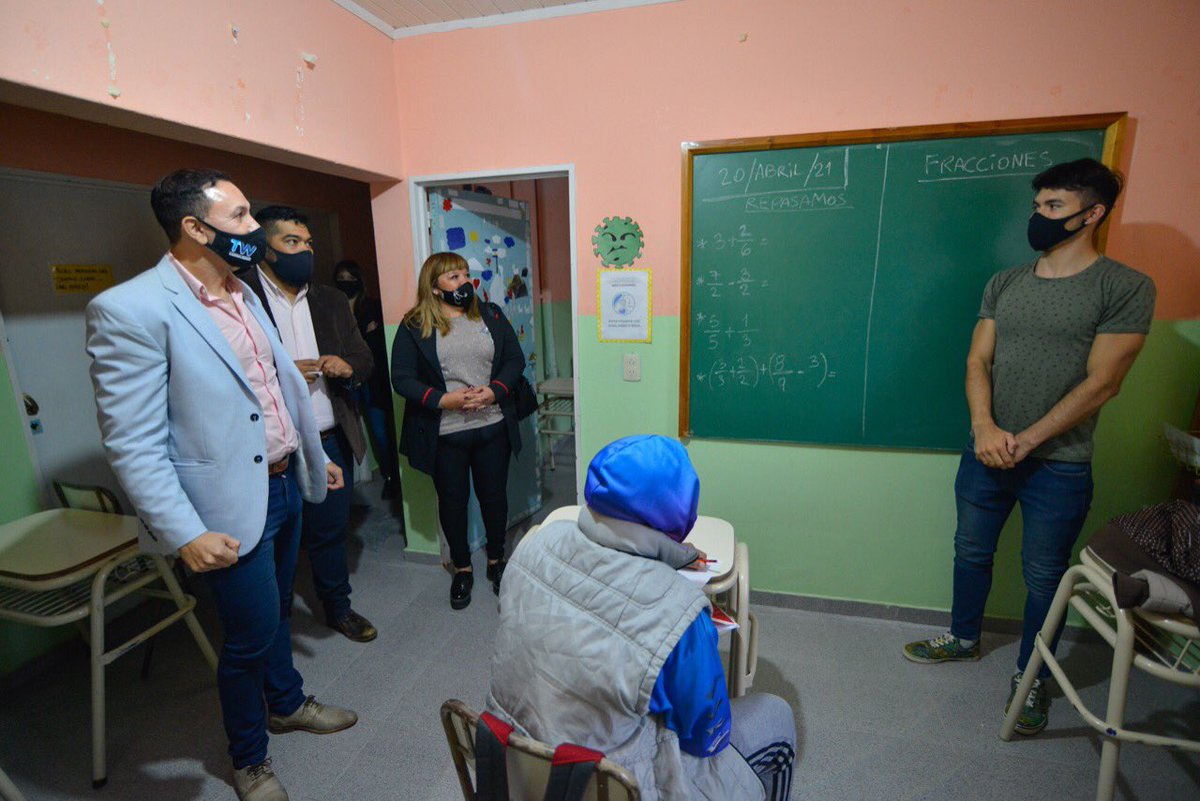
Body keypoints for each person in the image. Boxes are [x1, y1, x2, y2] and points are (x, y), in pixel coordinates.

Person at [86, 169, 357, 801]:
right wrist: (185, 532)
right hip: (226, 509)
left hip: (285, 483)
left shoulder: (244, 291)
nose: (254, 229)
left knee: (278, 616)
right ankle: (249, 757)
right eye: (239, 218)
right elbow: (133, 441)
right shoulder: (131, 309)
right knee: (246, 640)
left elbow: (274, 387)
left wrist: (312, 452)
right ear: (194, 228)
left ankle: (286, 702)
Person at [903, 158, 1156, 736]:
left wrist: (1029, 440)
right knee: (970, 551)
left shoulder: (1125, 287)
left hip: (1059, 466)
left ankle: (1032, 674)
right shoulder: (1006, 282)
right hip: (985, 451)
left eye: (1053, 207)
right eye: (1037, 205)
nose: (1038, 217)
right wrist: (987, 430)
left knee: (1045, 575)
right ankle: (964, 637)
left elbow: (1104, 382)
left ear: (1092, 213)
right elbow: (977, 359)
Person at [486, 434, 796, 800]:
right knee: (776, 715)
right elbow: (706, 735)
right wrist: (696, 641)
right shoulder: (679, 612)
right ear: (682, 513)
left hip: (513, 764)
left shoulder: (534, 546)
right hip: (611, 784)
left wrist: (667, 554)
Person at [237, 206, 378, 644]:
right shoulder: (239, 299)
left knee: (329, 531)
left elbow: (365, 359)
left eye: (308, 243)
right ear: (266, 249)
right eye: (292, 243)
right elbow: (227, 376)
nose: (305, 252)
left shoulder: (331, 300)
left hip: (328, 439)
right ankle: (274, 625)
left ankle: (337, 607)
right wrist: (283, 373)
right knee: (271, 541)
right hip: (271, 446)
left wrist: (344, 365)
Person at [391, 252, 525, 609]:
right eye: (453, 277)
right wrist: (441, 399)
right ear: (434, 287)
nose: (463, 282)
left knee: (494, 498)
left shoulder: (491, 315)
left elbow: (515, 360)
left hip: (492, 426)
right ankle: (463, 569)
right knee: (453, 503)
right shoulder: (414, 324)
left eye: (465, 275)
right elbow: (401, 378)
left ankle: (497, 562)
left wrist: (495, 390)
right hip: (446, 433)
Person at [334, 259, 403, 503]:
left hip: (373, 382)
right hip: (343, 383)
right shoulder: (334, 310)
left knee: (381, 433)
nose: (346, 283)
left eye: (350, 279)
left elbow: (372, 349)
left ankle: (392, 478)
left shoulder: (372, 307)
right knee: (349, 431)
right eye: (340, 279)